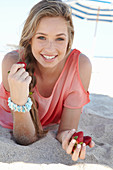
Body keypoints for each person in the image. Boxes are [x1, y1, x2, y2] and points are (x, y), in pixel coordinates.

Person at [0, 0, 95, 161]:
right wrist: (19, 99)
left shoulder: (81, 66)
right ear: (30, 38)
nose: (50, 49)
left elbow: (65, 129)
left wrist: (68, 139)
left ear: (69, 40)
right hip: (16, 126)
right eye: (42, 37)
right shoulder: (13, 63)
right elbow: (25, 139)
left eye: (59, 39)